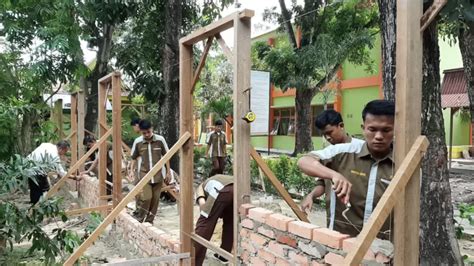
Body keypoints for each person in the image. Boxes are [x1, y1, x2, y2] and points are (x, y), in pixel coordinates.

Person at [298, 100, 395, 238]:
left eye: (386, 130)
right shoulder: (338, 151)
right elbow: (304, 162)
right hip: (343, 236)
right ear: (364, 128)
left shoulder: (405, 161)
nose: (378, 136)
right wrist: (333, 176)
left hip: (382, 244)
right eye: (372, 130)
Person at [300, 110, 364, 230]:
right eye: (324, 135)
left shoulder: (361, 148)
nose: (328, 137)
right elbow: (322, 183)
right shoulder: (328, 153)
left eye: (330, 132)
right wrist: (311, 196)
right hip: (335, 220)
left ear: (341, 126)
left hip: (360, 222)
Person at [130, 119, 171, 224]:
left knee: (155, 200)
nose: (147, 134)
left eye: (148, 131)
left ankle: (149, 221)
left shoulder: (160, 140)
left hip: (158, 175)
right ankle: (140, 218)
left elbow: (167, 156)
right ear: (141, 131)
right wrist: (131, 171)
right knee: (147, 198)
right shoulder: (138, 142)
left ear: (152, 129)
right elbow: (134, 158)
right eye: (144, 133)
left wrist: (168, 172)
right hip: (144, 174)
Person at [194, 174, 233, 266]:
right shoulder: (217, 178)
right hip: (237, 189)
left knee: (204, 224)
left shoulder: (200, 188)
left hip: (220, 190)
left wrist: (207, 213)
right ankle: (224, 255)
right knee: (230, 223)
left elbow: (203, 205)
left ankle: (194, 260)